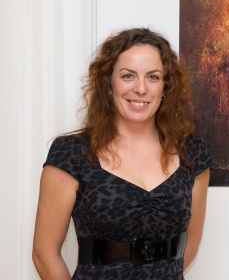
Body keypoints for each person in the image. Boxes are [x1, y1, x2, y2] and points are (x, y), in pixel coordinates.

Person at [32, 28, 212, 279]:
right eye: (128, 76)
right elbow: (44, 254)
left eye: (153, 77)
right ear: (108, 84)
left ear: (166, 86)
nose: (141, 89)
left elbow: (188, 247)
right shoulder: (72, 154)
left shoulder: (192, 151)